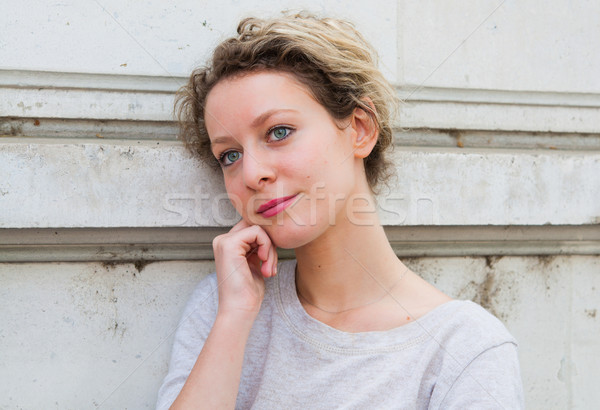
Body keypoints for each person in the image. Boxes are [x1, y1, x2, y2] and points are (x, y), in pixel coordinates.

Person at [156, 12, 524, 409]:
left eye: (279, 132)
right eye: (229, 154)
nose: (252, 173)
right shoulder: (221, 305)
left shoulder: (465, 349)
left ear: (360, 129)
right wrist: (234, 318)